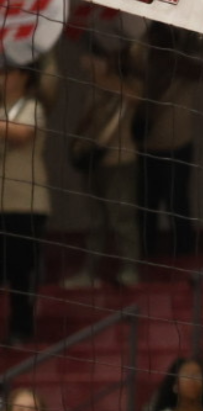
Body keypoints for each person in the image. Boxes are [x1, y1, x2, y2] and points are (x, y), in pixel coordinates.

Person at [66, 37, 141, 289]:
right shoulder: (93, 89)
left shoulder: (128, 83)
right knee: (96, 220)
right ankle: (90, 271)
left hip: (120, 159)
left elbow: (134, 98)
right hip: (93, 159)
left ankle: (130, 269)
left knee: (122, 218)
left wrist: (102, 79)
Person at [134, 24, 203, 258]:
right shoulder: (142, 62)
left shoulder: (182, 63)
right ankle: (146, 253)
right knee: (146, 204)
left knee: (177, 201)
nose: (155, 45)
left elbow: (202, 72)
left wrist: (170, 62)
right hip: (146, 144)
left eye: (161, 40)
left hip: (178, 144)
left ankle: (185, 253)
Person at [0, 59, 51, 345]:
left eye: (8, 72)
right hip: (1, 202)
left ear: (24, 76)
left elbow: (21, 134)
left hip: (27, 205)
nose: (3, 78)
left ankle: (21, 327)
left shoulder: (32, 108)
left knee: (22, 271)